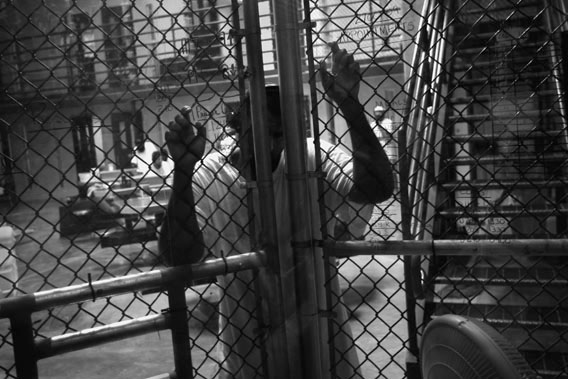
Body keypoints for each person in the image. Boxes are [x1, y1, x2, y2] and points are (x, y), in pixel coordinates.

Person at [159, 42, 394, 379]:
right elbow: (176, 256)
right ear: (236, 128)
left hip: (321, 339)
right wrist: (182, 170)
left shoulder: (309, 157)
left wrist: (350, 105)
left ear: (293, 135)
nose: (269, 144)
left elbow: (379, 188)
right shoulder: (211, 173)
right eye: (259, 131)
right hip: (248, 345)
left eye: (279, 134)